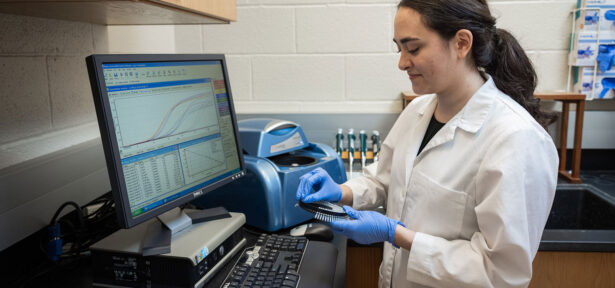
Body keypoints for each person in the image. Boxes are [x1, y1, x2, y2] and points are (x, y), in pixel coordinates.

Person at [296, 0, 559, 287]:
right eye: (399, 49)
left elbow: (500, 273)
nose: (402, 63)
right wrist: (342, 192)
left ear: (461, 43)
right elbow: (385, 180)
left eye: (413, 48)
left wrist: (396, 235)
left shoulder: (516, 138)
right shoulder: (417, 111)